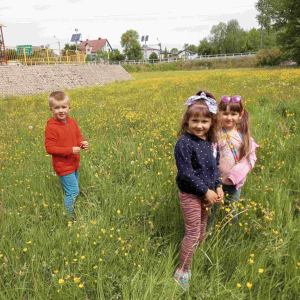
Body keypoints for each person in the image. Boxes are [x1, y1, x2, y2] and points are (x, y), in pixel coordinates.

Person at [173, 90, 224, 291]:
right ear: (187, 120)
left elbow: (215, 166)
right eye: (195, 120)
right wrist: (206, 192)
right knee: (193, 232)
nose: (199, 125)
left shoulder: (212, 143)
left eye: (204, 121)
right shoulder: (184, 143)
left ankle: (193, 256)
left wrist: (218, 186)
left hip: (207, 194)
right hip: (191, 194)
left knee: (202, 230)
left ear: (212, 122)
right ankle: (182, 272)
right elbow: (186, 173)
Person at [213, 95, 259, 224]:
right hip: (215, 183)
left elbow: (250, 159)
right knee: (212, 212)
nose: (229, 117)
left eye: (233, 114)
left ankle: (232, 235)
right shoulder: (215, 135)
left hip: (234, 184)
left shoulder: (243, 137)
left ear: (240, 114)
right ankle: (208, 235)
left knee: (231, 212)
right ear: (219, 113)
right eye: (225, 113)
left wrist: (236, 175)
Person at [45, 91, 89, 217]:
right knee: (73, 191)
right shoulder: (51, 127)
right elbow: (49, 148)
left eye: (63, 107)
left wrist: (83, 143)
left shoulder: (72, 122)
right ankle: (68, 216)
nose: (61, 110)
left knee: (72, 189)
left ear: (69, 108)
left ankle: (71, 208)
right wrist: (70, 150)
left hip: (74, 163)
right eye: (56, 108)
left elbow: (78, 136)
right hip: (63, 165)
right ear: (51, 110)